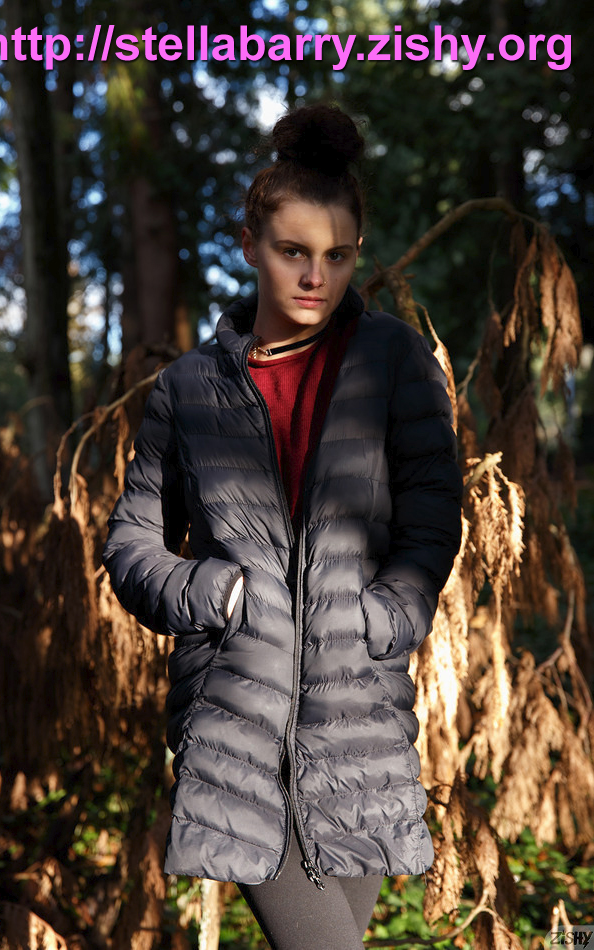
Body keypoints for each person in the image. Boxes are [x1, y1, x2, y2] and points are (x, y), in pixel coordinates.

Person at [103, 103, 463, 950]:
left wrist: (388, 615)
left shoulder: (394, 362)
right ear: (248, 246)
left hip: (359, 717)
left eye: (336, 256)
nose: (315, 277)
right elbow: (131, 542)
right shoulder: (188, 388)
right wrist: (211, 593)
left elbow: (431, 519)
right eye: (292, 251)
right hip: (236, 723)